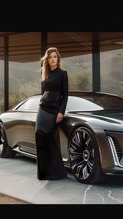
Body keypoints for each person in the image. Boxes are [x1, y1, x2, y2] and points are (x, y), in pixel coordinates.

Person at [35, 47, 68, 180]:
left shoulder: (63, 74)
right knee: (39, 135)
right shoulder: (45, 74)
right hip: (42, 108)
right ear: (47, 60)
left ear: (58, 59)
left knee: (50, 137)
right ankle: (43, 172)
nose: (53, 59)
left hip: (54, 109)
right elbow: (43, 92)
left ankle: (56, 172)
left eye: (55, 57)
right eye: (50, 57)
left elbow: (65, 95)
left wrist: (61, 112)